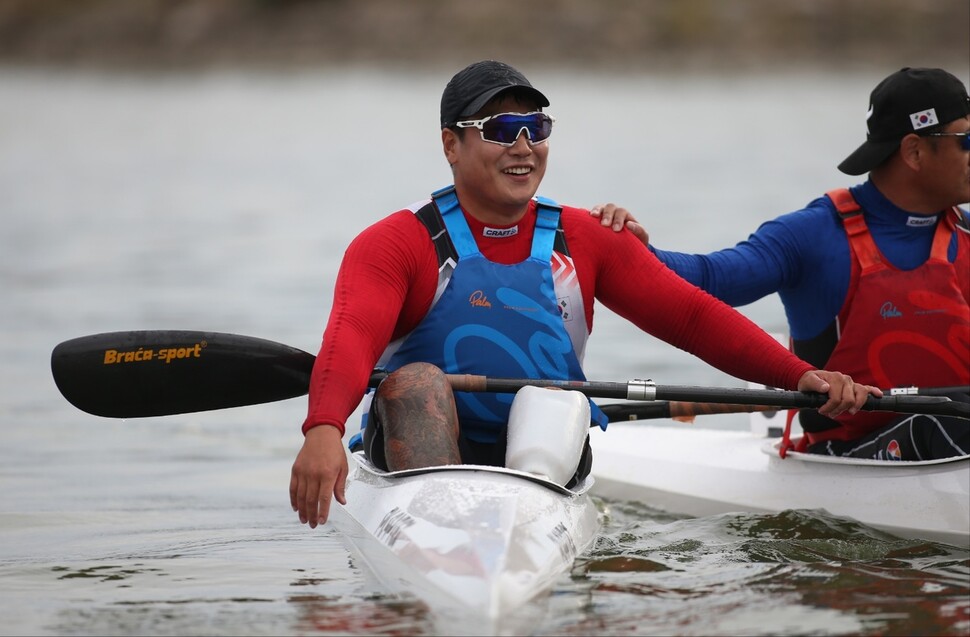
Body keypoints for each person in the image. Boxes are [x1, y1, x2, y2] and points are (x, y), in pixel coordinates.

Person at [289, 60, 879, 528]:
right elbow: (352, 335)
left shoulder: (587, 238)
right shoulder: (398, 243)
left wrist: (801, 376)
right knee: (416, 382)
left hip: (543, 460)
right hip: (417, 458)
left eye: (536, 128)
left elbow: (694, 319)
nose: (523, 147)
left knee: (555, 402)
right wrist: (324, 429)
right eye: (500, 130)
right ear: (451, 145)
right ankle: (442, 530)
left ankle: (519, 525)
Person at [592, 67, 970, 461]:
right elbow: (710, 278)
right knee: (948, 423)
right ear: (914, 151)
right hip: (846, 449)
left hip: (954, 438)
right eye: (967, 140)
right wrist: (633, 251)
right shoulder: (814, 236)